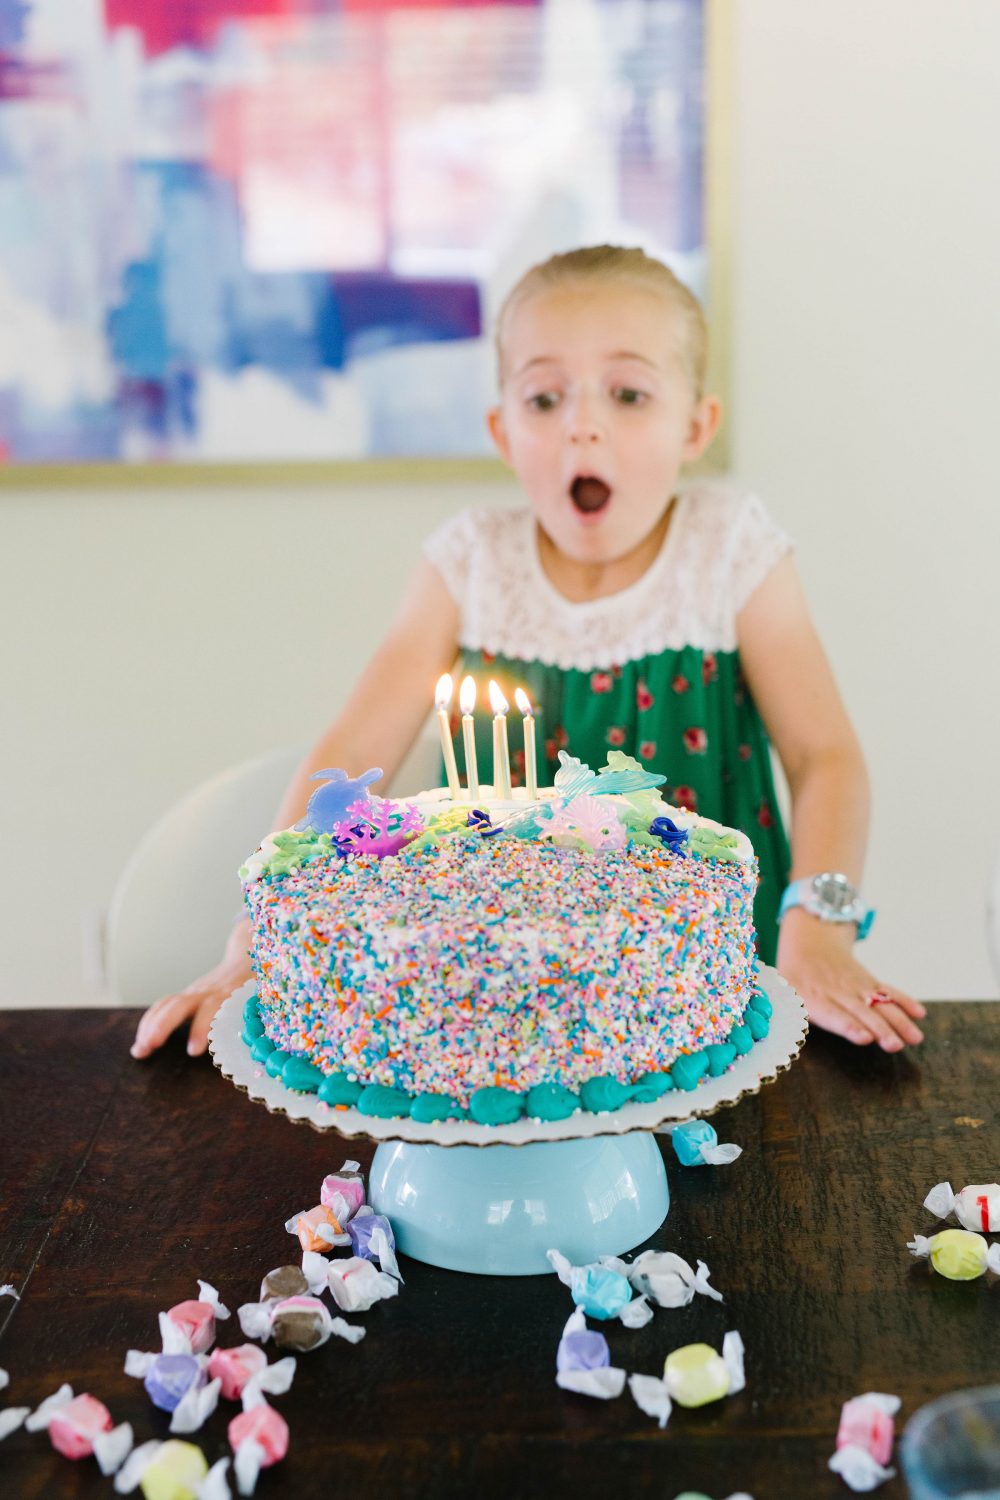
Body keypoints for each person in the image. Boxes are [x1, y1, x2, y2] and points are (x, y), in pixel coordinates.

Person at [131, 245, 925, 1063]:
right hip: (487, 1007)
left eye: (628, 393)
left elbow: (824, 756)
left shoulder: (731, 550)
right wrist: (252, 941)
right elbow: (354, 757)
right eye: (546, 397)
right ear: (503, 432)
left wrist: (818, 929)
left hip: (714, 986)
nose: (584, 422)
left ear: (696, 425)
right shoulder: (469, 562)